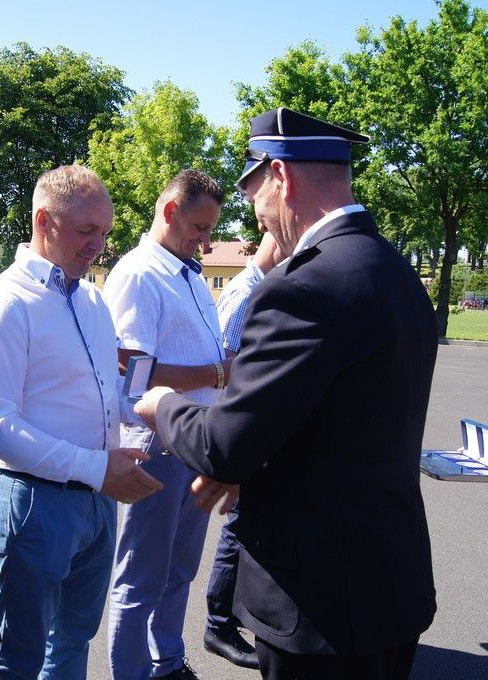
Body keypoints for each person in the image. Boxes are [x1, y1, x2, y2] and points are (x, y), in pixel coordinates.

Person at [135, 107, 438, 680]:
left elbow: (223, 446)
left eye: (255, 193)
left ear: (281, 175)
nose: (259, 215)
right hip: (388, 582)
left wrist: (161, 404)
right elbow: (339, 412)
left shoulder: (304, 286)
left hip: (318, 598)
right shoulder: (394, 270)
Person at [0, 165, 162, 680]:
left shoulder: (91, 299)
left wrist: (154, 407)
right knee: (21, 655)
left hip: (96, 500)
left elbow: (107, 393)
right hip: (35, 503)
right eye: (86, 231)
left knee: (74, 639)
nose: (100, 245)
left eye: (106, 232)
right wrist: (97, 468)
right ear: (43, 220)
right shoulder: (5, 304)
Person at [105, 169, 238, 680]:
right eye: (200, 227)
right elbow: (131, 368)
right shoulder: (140, 273)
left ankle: (166, 661)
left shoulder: (186, 273)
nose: (206, 240)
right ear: (169, 211)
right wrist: (216, 372)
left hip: (193, 442)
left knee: (179, 570)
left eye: (210, 229)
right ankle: (132, 672)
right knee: (141, 576)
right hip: (155, 445)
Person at [202, 233, 283, 671]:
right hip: (238, 425)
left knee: (245, 521)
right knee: (238, 526)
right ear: (273, 245)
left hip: (250, 425)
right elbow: (227, 361)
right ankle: (218, 623)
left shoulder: (264, 288)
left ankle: (233, 617)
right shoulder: (247, 291)